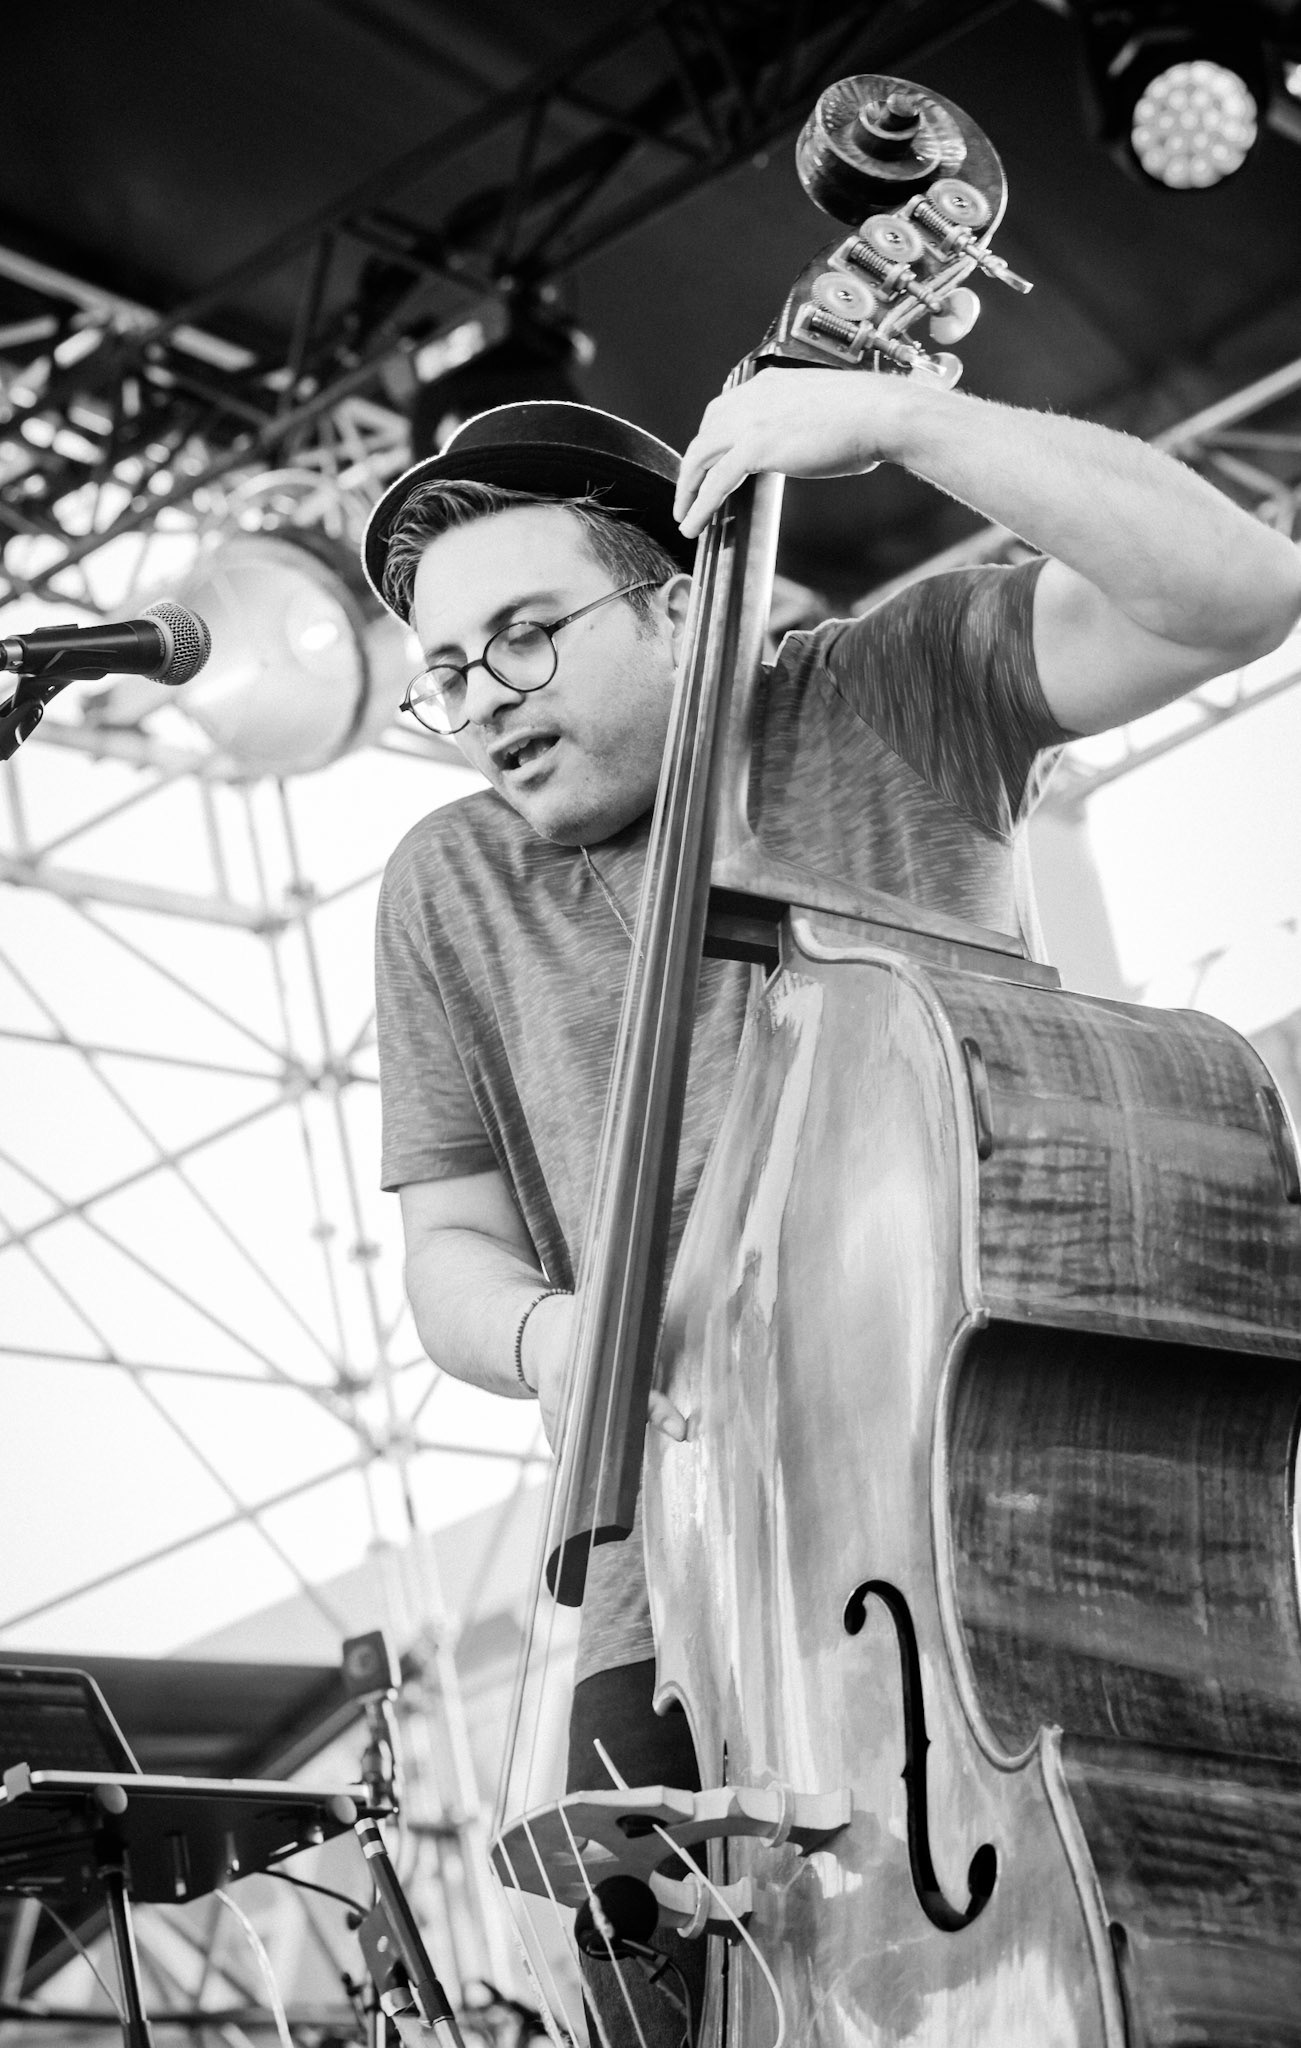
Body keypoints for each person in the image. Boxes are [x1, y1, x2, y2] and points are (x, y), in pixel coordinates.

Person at [364, 367, 1301, 2045]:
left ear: (676, 599)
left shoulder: (891, 694)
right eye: (443, 673)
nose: (481, 697)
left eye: (522, 632)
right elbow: (448, 1247)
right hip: (668, 1591)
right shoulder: (450, 884)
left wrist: (902, 421)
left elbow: (1236, 592)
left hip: (993, 1545)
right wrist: (547, 1331)